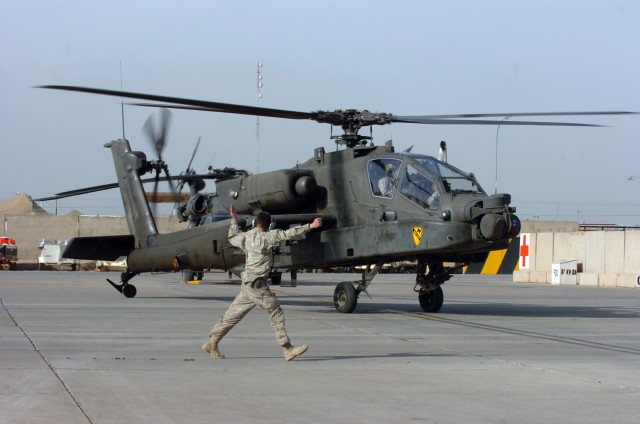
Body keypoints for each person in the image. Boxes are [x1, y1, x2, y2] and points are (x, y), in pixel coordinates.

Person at [202, 205, 322, 361]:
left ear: (255, 223)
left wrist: (233, 219)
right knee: (275, 310)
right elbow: (287, 234)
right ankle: (287, 348)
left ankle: (212, 342)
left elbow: (232, 237)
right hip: (257, 284)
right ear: (269, 225)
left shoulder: (246, 237)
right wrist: (310, 226)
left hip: (247, 284)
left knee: (233, 315)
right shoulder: (267, 237)